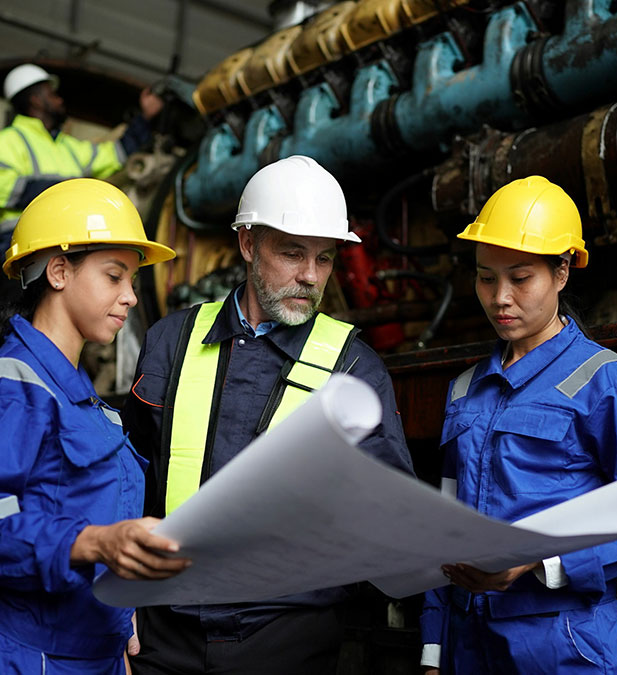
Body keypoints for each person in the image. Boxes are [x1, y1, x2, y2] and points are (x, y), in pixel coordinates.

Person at [124, 155, 414, 674]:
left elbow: (390, 516)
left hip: (287, 640)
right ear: (248, 244)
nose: (309, 276)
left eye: (325, 259)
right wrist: (119, 606)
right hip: (165, 635)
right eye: (293, 253)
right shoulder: (171, 342)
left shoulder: (355, 369)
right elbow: (127, 484)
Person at [419, 176, 617, 674]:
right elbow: (445, 530)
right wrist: (434, 652)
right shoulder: (463, 390)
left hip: (563, 645)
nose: (500, 298)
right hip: (468, 645)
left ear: (562, 271)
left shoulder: (603, 380)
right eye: (485, 277)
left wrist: (539, 568)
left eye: (520, 279)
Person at [0, 178, 190, 673]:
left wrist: (119, 621)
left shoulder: (82, 400)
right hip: (18, 660)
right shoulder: (10, 384)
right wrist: (96, 542)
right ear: (58, 271)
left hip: (87, 657)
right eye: (114, 277)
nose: (131, 297)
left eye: (132, 282)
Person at [0, 63, 165, 253]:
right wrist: (66, 192)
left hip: (66, 242)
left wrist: (145, 118)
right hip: (23, 245)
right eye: (52, 95)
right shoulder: (7, 140)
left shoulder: (68, 146)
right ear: (36, 101)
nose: (60, 100)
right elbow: (0, 188)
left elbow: (115, 153)